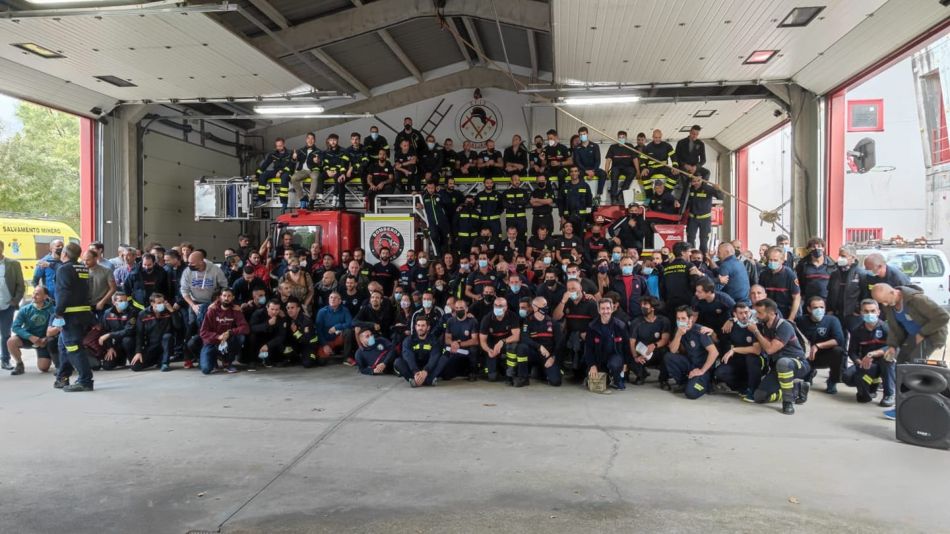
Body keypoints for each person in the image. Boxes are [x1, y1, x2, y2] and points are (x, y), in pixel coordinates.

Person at [747, 298, 810, 415]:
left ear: (771, 313)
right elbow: (743, 320)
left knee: (783, 363)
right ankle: (797, 388)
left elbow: (770, 349)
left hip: (797, 364)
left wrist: (756, 332)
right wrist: (731, 319)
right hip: (778, 368)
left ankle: (788, 402)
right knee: (759, 396)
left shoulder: (784, 326)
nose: (757, 316)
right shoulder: (761, 326)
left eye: (760, 313)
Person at [53, 243, 96, 392]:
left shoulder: (63, 269)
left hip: (70, 315)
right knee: (63, 345)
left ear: (64, 253)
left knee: (74, 347)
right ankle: (63, 377)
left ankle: (85, 381)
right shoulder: (82, 267)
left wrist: (58, 311)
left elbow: (64, 292)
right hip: (83, 313)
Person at [871, 283, 949, 364]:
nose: (885, 304)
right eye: (882, 302)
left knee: (914, 363)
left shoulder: (917, 299)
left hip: (931, 334)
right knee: (900, 362)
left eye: (885, 301)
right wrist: (892, 346)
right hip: (913, 336)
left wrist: (922, 333)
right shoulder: (889, 305)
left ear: (893, 292)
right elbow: (894, 327)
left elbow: (943, 316)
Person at [180, 251, 229, 368]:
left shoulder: (215, 270)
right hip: (195, 302)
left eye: (192, 263)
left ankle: (219, 354)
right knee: (191, 327)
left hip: (212, 302)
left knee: (212, 327)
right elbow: (184, 291)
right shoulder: (187, 271)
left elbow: (224, 286)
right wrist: (192, 305)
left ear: (201, 262)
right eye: (189, 263)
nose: (190, 265)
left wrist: (216, 302)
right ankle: (189, 357)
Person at [842, 299, 894, 406]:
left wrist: (873, 354)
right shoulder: (857, 331)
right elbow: (852, 352)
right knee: (847, 377)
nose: (869, 314)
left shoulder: (887, 328)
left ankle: (889, 394)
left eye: (872, 311)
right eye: (866, 311)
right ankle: (872, 386)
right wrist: (859, 362)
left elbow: (893, 346)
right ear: (861, 313)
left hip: (884, 362)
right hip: (867, 364)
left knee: (887, 360)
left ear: (878, 312)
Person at [665, 305, 718, 398]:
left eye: (683, 318)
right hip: (690, 364)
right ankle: (683, 383)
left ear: (691, 318)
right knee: (669, 357)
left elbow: (714, 352)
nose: (681, 321)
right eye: (678, 318)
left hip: (703, 368)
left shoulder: (699, 330)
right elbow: (673, 350)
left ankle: (706, 385)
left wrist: (702, 370)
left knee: (691, 393)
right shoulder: (679, 330)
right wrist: (678, 335)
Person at [795, 296, 846, 394]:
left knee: (838, 351)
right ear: (809, 309)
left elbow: (839, 340)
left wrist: (818, 346)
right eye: (815, 308)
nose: (819, 310)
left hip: (826, 355)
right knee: (803, 382)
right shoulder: (801, 321)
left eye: (822, 307)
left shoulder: (832, 320)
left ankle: (832, 381)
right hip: (807, 356)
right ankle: (809, 373)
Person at [713, 302, 764, 399]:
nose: (744, 315)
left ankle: (754, 389)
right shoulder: (731, 326)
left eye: (746, 312)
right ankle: (742, 388)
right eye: (740, 313)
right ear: (735, 314)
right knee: (720, 372)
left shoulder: (755, 326)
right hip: (737, 361)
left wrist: (734, 350)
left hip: (755, 362)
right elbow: (721, 341)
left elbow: (756, 350)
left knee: (751, 358)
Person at [197, 288, 249, 375]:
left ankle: (227, 362)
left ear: (233, 298)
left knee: (241, 337)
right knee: (206, 370)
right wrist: (218, 336)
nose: (226, 298)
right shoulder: (212, 310)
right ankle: (214, 359)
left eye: (229, 296)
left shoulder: (235, 310)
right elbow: (203, 332)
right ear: (220, 297)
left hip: (227, 341)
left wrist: (230, 332)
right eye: (224, 295)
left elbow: (245, 328)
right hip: (212, 342)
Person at [7, 286, 54, 375]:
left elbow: (57, 328)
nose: (34, 296)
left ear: (45, 297)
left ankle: (52, 358)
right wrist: (30, 336)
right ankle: (19, 364)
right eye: (33, 293)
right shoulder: (25, 309)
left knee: (43, 368)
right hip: (28, 338)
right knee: (11, 341)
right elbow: (15, 327)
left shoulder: (52, 310)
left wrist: (46, 339)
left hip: (43, 341)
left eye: (37, 294)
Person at [627, 295, 671, 386]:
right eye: (641, 304)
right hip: (641, 352)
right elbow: (632, 342)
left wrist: (654, 345)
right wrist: (636, 357)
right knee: (628, 355)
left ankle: (663, 379)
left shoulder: (663, 321)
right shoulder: (636, 322)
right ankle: (641, 374)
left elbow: (665, 339)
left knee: (666, 353)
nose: (642, 307)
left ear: (653, 308)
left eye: (645, 304)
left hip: (656, 350)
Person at [132, 292, 181, 372]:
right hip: (151, 346)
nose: (162, 304)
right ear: (152, 303)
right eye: (159, 303)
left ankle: (165, 363)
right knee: (135, 367)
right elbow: (139, 334)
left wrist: (172, 311)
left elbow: (178, 326)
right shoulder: (143, 314)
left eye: (163, 302)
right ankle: (157, 361)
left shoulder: (169, 311)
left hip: (165, 345)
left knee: (167, 336)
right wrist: (138, 352)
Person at [479, 296, 522, 384]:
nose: (497, 307)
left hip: (507, 343)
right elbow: (482, 341)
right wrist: (488, 350)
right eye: (496, 305)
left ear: (506, 307)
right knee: (492, 377)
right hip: (491, 346)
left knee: (513, 345)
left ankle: (511, 374)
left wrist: (502, 341)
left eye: (500, 306)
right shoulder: (486, 319)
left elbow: (516, 336)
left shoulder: (512, 316)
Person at [396, 316, 444, 387]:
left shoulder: (434, 340)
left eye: (423, 325)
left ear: (428, 327)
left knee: (444, 358)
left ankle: (417, 381)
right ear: (415, 327)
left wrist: (425, 371)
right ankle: (426, 380)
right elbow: (408, 356)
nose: (420, 328)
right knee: (398, 362)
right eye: (418, 325)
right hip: (414, 369)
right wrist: (415, 371)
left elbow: (434, 356)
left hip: (429, 369)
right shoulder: (408, 340)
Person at [827, 244, 865, 333]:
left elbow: (865, 294)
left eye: (843, 256)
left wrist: (858, 310)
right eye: (839, 255)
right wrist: (829, 309)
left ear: (853, 257)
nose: (840, 258)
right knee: (838, 339)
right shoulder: (835, 273)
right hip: (836, 314)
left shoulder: (861, 274)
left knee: (855, 339)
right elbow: (830, 293)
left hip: (853, 315)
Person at [0, 239, 25, 371]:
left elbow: (20, 285)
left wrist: (15, 301)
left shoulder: (13, 264)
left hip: (6, 306)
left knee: (5, 334)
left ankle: (5, 360)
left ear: (2, 248)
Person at [759, 246, 802, 320]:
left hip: (787, 313)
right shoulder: (764, 275)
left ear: (782, 260)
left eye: (775, 260)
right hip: (771, 313)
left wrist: (790, 319)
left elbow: (796, 298)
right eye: (770, 260)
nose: (772, 262)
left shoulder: (790, 275)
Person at [98, 292, 138, 370]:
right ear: (114, 302)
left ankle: (132, 360)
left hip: (130, 342)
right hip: (117, 343)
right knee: (107, 366)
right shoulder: (107, 313)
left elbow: (128, 331)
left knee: (127, 340)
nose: (124, 303)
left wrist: (110, 335)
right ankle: (120, 360)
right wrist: (110, 347)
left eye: (125, 300)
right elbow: (105, 331)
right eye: (121, 301)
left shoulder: (132, 312)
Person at [443, 298, 481, 382]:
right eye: (456, 308)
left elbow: (475, 340)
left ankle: (473, 372)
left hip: (467, 349)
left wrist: (459, 344)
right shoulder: (450, 321)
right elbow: (447, 339)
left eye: (461, 308)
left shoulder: (472, 321)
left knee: (474, 349)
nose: (459, 310)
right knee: (446, 376)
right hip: (454, 349)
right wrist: (453, 343)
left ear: (466, 309)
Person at [684, 175, 722, 255]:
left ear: (702, 179)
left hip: (705, 219)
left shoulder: (708, 188)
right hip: (692, 218)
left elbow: (721, 197)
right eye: (694, 181)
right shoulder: (689, 188)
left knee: (704, 242)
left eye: (698, 181)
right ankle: (692, 258)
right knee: (690, 240)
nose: (696, 183)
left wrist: (718, 190)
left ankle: (704, 260)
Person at [254, 137, 293, 208]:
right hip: (276, 171)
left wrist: (281, 172)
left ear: (284, 144)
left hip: (286, 171)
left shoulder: (290, 153)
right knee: (263, 175)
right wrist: (257, 174)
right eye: (277, 146)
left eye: (280, 146)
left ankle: (284, 202)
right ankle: (262, 199)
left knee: (284, 178)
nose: (278, 147)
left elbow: (290, 165)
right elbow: (265, 164)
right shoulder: (273, 154)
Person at [314, 291, 352, 361]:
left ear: (340, 301)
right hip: (326, 340)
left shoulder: (344, 310)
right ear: (328, 299)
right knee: (321, 361)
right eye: (331, 297)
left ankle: (346, 357)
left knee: (348, 331)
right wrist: (324, 345)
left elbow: (350, 324)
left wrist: (336, 327)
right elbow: (318, 331)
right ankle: (330, 351)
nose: (332, 299)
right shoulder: (322, 312)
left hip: (338, 338)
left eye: (335, 298)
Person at [573, 127, 607, 202]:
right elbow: (577, 162)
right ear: (579, 136)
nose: (582, 136)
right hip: (582, 169)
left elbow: (598, 160)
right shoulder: (576, 148)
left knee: (603, 174)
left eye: (584, 134)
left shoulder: (595, 146)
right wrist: (586, 171)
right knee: (577, 175)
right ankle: (582, 195)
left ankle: (598, 195)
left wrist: (593, 171)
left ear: (587, 134)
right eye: (581, 135)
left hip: (594, 168)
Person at [795, 237, 835, 302]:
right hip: (808, 302)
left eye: (819, 246)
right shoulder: (802, 265)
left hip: (826, 302)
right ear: (809, 249)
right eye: (813, 247)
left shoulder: (832, 265)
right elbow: (799, 284)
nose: (816, 249)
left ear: (823, 248)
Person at [249, 299, 287, 367]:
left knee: (281, 343)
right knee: (252, 337)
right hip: (259, 338)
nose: (274, 312)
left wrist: (268, 345)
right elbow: (252, 328)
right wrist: (268, 324)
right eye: (272, 309)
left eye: (277, 309)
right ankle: (253, 360)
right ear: (267, 307)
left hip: (271, 340)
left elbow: (282, 335)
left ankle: (275, 360)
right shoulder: (258, 313)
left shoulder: (281, 316)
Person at [640, 129, 678, 195]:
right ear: (652, 137)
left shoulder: (667, 146)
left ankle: (666, 194)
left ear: (661, 136)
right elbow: (642, 160)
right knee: (644, 175)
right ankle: (650, 196)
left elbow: (673, 157)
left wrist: (675, 167)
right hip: (652, 168)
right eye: (656, 137)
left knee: (675, 174)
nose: (657, 139)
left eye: (659, 137)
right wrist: (644, 168)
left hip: (663, 167)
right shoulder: (647, 147)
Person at [417, 180, 450, 255]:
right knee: (434, 236)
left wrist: (441, 191)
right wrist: (419, 205)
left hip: (443, 222)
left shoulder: (439, 194)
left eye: (432, 188)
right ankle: (438, 255)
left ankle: (444, 255)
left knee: (445, 240)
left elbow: (447, 201)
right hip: (432, 222)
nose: (430, 189)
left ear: (435, 187)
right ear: (426, 188)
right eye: (429, 188)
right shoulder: (424, 196)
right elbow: (418, 201)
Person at [290, 132, 322, 209]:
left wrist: (318, 161)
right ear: (306, 140)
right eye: (308, 138)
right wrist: (294, 158)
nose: (310, 140)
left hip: (314, 170)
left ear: (315, 140)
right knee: (293, 178)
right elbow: (294, 161)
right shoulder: (301, 150)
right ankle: (302, 197)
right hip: (303, 171)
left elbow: (322, 163)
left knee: (314, 177)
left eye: (312, 139)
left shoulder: (319, 151)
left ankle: (311, 200)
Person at [604, 130, 637, 204]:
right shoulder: (612, 147)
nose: (621, 138)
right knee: (614, 174)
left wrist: (638, 171)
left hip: (627, 167)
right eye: (620, 137)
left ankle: (621, 194)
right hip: (616, 167)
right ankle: (613, 197)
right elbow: (608, 160)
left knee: (632, 171)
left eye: (623, 137)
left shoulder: (630, 146)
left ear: (626, 138)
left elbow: (635, 159)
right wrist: (606, 172)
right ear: (617, 138)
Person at [284, 297, 318, 367]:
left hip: (308, 345)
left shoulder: (306, 321)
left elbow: (306, 340)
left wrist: (296, 332)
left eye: (292, 308)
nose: (289, 310)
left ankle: (317, 356)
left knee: (307, 364)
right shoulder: (288, 319)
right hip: (296, 344)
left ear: (298, 309)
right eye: (288, 308)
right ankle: (297, 357)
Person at [561, 167, 593, 231]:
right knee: (568, 238)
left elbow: (589, 201)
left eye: (575, 171)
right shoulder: (565, 186)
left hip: (582, 218)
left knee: (581, 238)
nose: (574, 173)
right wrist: (562, 217)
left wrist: (588, 219)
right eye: (572, 171)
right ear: (569, 173)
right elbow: (561, 202)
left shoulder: (585, 185)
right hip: (568, 218)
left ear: (578, 173)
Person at [503, 174, 530, 239]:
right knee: (511, 238)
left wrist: (512, 202)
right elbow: (505, 205)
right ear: (511, 181)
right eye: (515, 180)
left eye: (518, 180)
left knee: (522, 237)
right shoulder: (506, 192)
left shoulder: (524, 192)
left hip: (521, 220)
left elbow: (525, 202)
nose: (517, 181)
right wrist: (519, 204)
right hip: (510, 220)